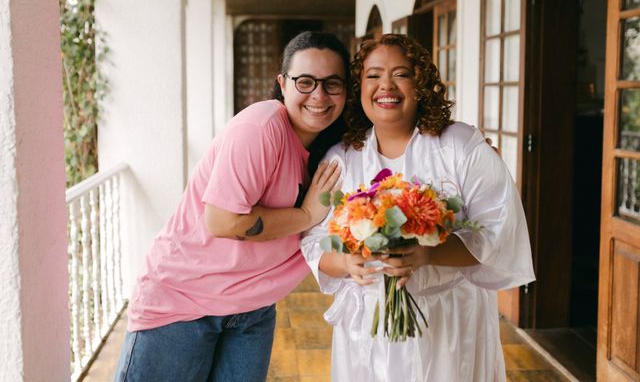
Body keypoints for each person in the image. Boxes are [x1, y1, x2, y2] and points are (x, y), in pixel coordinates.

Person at [113, 31, 350, 382]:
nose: (319, 95)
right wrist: (305, 216)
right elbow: (223, 221)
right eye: (305, 82)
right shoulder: (262, 126)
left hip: (252, 310)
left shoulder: (336, 149)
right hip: (184, 303)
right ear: (282, 84)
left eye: (332, 83)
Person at [301, 33, 535, 381]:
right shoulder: (341, 160)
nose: (386, 86)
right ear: (358, 86)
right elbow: (314, 241)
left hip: (448, 320)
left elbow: (498, 232)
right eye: (373, 75)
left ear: (421, 83)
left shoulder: (460, 146)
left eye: (402, 73)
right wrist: (347, 262)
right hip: (366, 323)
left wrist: (429, 252)